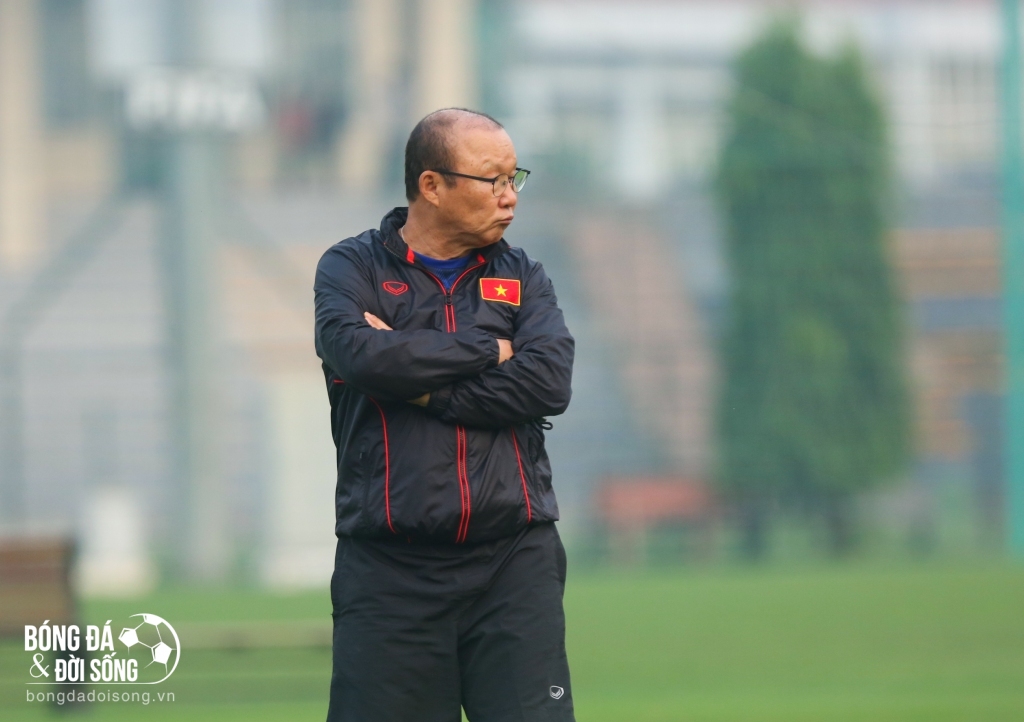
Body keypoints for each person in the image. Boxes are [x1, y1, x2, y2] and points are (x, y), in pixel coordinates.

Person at [314, 108, 577, 722]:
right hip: (388, 571)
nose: (510, 196)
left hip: (514, 563)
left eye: (515, 178)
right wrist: (491, 351)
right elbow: (361, 355)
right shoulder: (351, 268)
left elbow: (548, 381)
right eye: (493, 180)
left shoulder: (524, 276)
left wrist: (425, 390)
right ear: (431, 185)